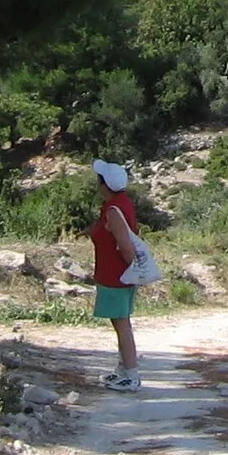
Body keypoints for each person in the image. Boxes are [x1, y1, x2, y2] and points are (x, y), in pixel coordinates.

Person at [89, 159, 142, 391]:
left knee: (122, 324)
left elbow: (125, 246)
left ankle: (131, 375)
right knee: (120, 322)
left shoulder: (114, 211)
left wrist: (134, 272)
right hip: (120, 275)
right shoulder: (121, 204)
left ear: (105, 185)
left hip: (116, 276)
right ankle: (123, 370)